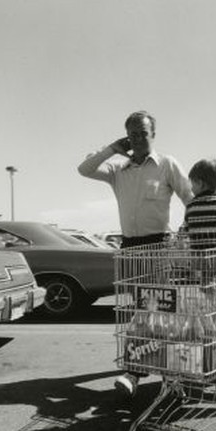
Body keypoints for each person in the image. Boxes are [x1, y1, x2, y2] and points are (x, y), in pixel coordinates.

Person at [78, 110, 193, 396]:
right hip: (131, 249)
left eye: (143, 132)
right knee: (142, 313)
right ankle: (137, 373)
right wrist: (111, 149)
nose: (138, 138)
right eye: (132, 134)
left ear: (153, 134)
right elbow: (84, 169)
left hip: (159, 246)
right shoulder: (118, 170)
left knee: (163, 312)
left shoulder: (167, 164)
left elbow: (191, 197)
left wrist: (186, 228)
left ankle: (170, 377)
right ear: (125, 137)